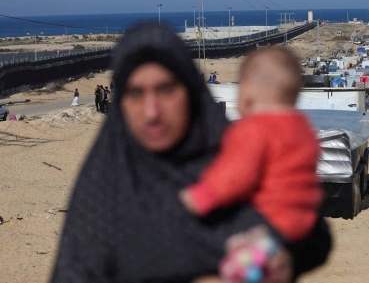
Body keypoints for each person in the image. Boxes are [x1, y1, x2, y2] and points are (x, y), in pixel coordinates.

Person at [51, 23, 331, 282]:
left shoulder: (233, 151)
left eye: (166, 89)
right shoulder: (104, 185)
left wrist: (290, 258)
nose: (152, 113)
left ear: (190, 91)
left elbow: (313, 230)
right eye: (135, 93)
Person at [179, 46, 322, 246]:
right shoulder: (302, 127)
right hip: (303, 221)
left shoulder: (254, 129)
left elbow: (235, 176)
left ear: (248, 91)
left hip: (267, 224)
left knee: (235, 268)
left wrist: (199, 198)